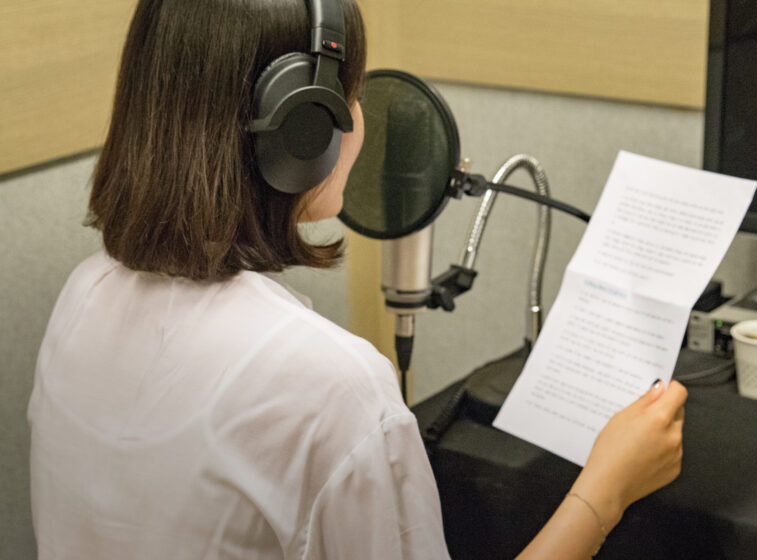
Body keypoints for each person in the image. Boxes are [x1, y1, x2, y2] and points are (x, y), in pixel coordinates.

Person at [27, 0, 687, 558]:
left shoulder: (83, 295)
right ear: (302, 124)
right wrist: (606, 490)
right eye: (352, 95)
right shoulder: (331, 387)